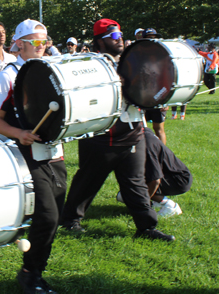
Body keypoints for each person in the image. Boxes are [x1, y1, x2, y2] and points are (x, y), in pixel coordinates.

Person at [61, 19, 175, 242]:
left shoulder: (131, 61)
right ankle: (70, 219)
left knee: (135, 181)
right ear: (100, 42)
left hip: (133, 130)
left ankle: (146, 227)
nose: (119, 39)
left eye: (120, 35)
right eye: (113, 36)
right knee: (88, 179)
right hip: (102, 134)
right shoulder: (89, 63)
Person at [0, 19, 65, 294]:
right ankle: (29, 274)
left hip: (54, 152)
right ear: (19, 45)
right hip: (25, 153)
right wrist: (19, 133)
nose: (42, 46)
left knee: (55, 215)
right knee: (46, 214)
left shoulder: (52, 70)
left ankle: (35, 269)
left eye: (45, 41)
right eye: (35, 42)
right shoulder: (8, 76)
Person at [117, 127, 192, 218]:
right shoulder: (141, 132)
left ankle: (169, 206)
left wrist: (140, 204)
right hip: (173, 173)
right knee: (126, 191)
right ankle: (154, 202)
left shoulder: (144, 144)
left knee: (131, 189)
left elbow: (155, 180)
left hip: (177, 180)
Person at [142, 28, 168, 144]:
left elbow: (168, 80)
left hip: (159, 96)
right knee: (141, 129)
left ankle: (163, 155)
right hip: (142, 98)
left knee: (159, 129)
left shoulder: (163, 56)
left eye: (154, 37)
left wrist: (165, 100)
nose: (152, 40)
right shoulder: (137, 56)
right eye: (149, 37)